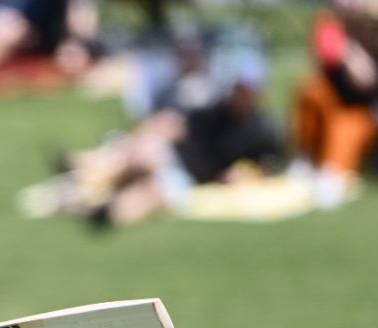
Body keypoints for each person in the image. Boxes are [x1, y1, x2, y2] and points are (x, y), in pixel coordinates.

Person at [18, 50, 282, 228]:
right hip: (170, 157)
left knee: (151, 193)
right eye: (239, 88)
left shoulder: (261, 129)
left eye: (247, 90)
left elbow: (271, 164)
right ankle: (85, 176)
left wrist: (245, 174)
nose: (241, 95)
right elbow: (180, 126)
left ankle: (95, 207)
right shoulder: (214, 110)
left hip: (191, 177)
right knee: (146, 153)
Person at [290, 0, 378, 206]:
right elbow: (323, 57)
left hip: (368, 122)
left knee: (349, 125)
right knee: (310, 88)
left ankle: (334, 176)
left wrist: (369, 76)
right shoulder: (344, 52)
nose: (368, 32)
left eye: (374, 27)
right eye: (364, 26)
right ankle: (303, 160)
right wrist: (348, 54)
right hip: (331, 117)